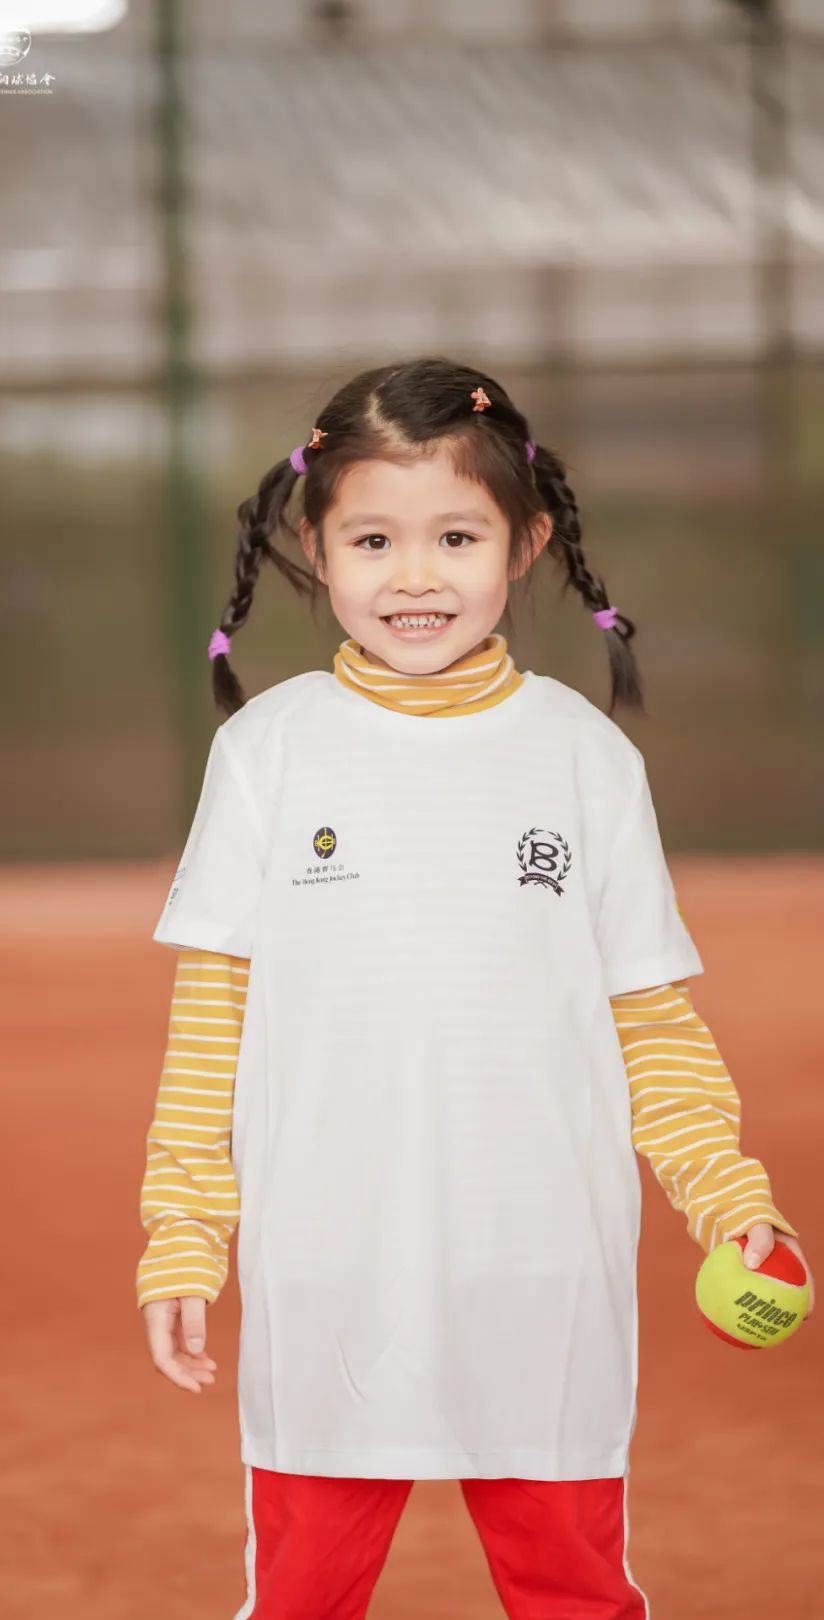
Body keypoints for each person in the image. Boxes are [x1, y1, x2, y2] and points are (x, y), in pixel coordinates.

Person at [136, 357, 814, 1620]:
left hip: (541, 1267)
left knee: (573, 1593)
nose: (414, 576)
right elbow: (212, 1019)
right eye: (373, 540)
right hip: (331, 1265)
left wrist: (728, 1196)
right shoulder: (267, 753)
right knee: (303, 1599)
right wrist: (184, 1228)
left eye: (456, 537)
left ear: (527, 541)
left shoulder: (585, 758)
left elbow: (648, 1017)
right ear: (315, 547)